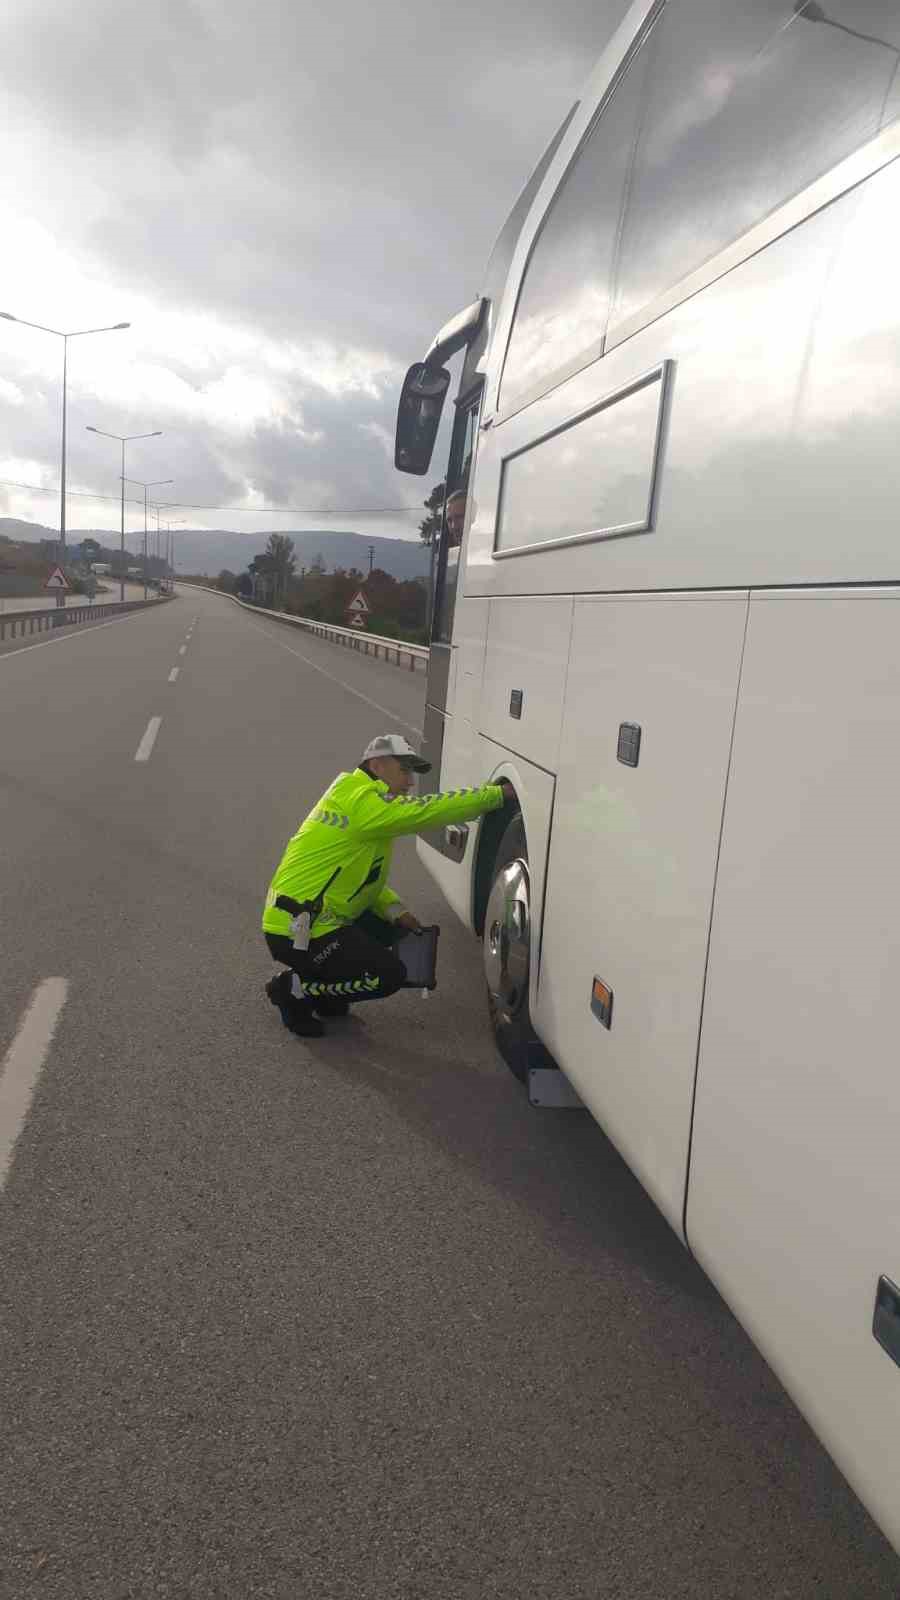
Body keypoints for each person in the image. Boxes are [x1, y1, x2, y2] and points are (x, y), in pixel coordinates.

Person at [262, 733, 513, 1037]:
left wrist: (397, 911)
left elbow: (363, 881)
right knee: (389, 975)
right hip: (296, 930)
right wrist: (495, 796)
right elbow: (426, 810)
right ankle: (294, 988)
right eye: (404, 770)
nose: (409, 782)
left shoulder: (356, 797)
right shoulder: (361, 800)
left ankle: (324, 990)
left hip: (310, 917)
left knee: (393, 931)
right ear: (378, 764)